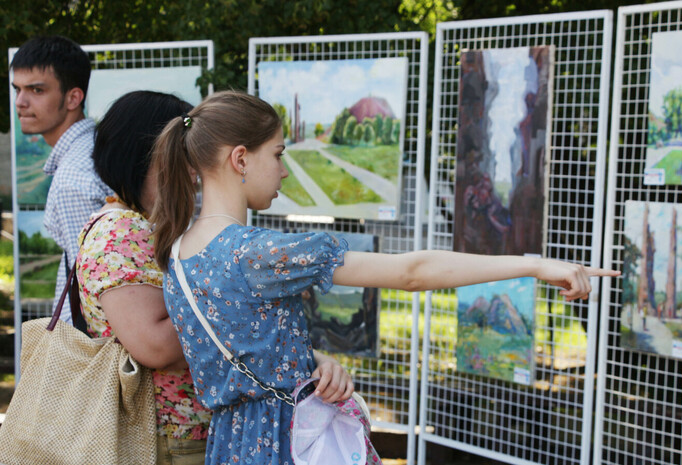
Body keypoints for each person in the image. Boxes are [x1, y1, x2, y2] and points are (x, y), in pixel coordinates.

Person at [149, 91, 619, 465]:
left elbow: (247, 345)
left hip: (230, 444)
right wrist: (534, 265)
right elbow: (412, 272)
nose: (285, 170)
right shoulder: (256, 251)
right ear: (240, 159)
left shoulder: (180, 254)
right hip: (287, 440)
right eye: (278, 153)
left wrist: (314, 364)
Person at [75, 91, 212, 464]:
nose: (194, 173)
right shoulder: (120, 230)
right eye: (183, 157)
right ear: (144, 158)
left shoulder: (137, 225)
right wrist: (231, 298)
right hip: (166, 440)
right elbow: (157, 347)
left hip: (179, 434)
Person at [11, 35, 112, 322]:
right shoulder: (96, 147)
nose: (20, 102)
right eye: (17, 89)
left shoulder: (73, 179)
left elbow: (91, 284)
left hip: (88, 343)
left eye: (36, 90)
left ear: (73, 97)